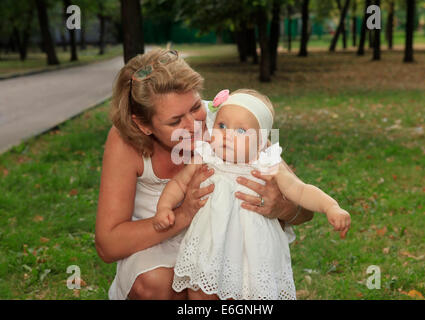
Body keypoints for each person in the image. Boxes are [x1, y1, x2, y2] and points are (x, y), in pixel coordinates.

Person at [95, 48, 314, 300]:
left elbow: (304, 209)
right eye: (175, 121)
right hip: (154, 243)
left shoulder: (229, 122)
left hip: (219, 240)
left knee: (227, 284)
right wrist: (184, 214)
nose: (194, 125)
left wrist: (282, 207)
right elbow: (108, 245)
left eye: (196, 106)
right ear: (143, 125)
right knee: (160, 284)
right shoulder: (125, 141)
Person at [153, 89, 351, 300]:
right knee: (200, 291)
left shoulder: (266, 162)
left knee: (244, 291)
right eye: (222, 126)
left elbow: (300, 190)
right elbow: (178, 183)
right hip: (209, 241)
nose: (227, 134)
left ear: (261, 141)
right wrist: (164, 207)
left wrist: (330, 206)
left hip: (252, 247)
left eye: (241, 131)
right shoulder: (207, 156)